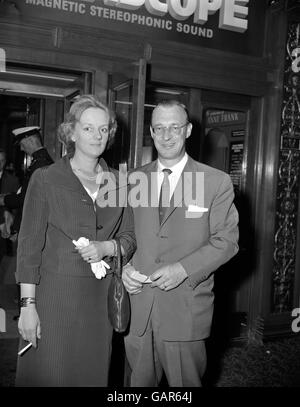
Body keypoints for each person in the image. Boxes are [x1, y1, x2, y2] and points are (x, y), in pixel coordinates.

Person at [15, 95, 136, 387]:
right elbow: (29, 247)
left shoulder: (119, 183)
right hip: (54, 298)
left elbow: (130, 238)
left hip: (98, 300)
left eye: (104, 129)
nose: (97, 136)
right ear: (71, 132)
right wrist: (27, 307)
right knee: (51, 373)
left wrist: (108, 247)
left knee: (91, 375)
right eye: (88, 128)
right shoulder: (45, 179)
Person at [122, 100, 239, 387]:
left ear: (187, 131)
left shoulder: (215, 182)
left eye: (174, 127)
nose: (166, 135)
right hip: (139, 309)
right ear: (151, 131)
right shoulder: (134, 179)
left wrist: (183, 269)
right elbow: (125, 235)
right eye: (159, 128)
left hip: (185, 309)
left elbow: (226, 242)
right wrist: (123, 266)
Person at [0, 126, 54, 234]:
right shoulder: (40, 162)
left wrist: (4, 200)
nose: (21, 149)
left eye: (22, 145)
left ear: (30, 141)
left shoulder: (40, 164)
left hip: (35, 226)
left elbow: (27, 198)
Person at [0, 149, 19, 261]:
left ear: (5, 161)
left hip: (5, 229)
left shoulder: (13, 180)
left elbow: (17, 205)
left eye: (1, 160)